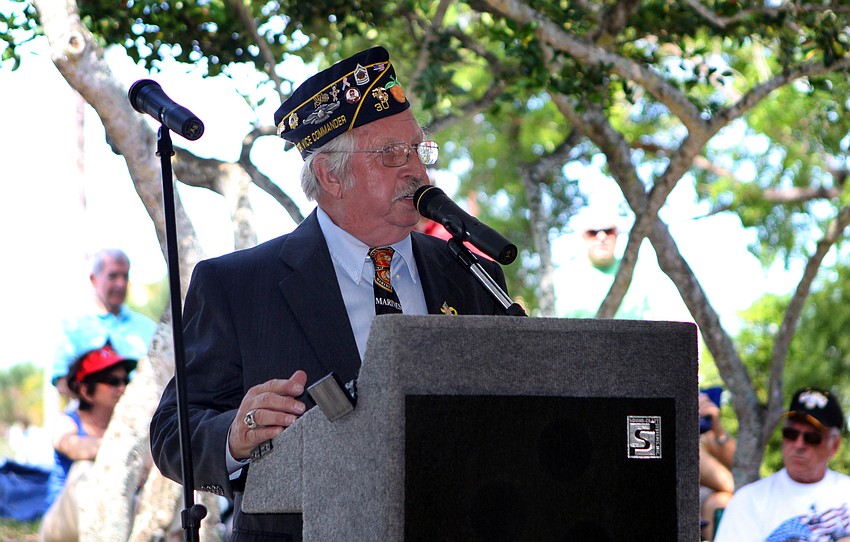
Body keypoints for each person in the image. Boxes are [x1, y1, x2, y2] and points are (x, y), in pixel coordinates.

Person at [149, 45, 509, 541]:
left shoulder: (469, 275)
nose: (418, 172)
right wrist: (235, 434)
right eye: (390, 155)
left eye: (418, 150)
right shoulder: (237, 285)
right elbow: (172, 433)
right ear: (330, 176)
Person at [714, 387, 850, 542]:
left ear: (835, 446)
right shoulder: (749, 500)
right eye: (791, 434)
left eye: (812, 437)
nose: (799, 444)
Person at [39, 343, 136, 542]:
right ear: (86, 391)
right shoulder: (67, 421)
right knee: (84, 470)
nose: (122, 387)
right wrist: (129, 453)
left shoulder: (128, 427)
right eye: (113, 381)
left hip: (113, 521)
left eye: (125, 380)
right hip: (61, 529)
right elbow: (73, 447)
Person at [51, 249, 156, 399]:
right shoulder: (73, 327)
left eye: (125, 276)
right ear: (94, 279)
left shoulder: (148, 328)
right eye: (112, 276)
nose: (120, 283)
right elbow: (61, 381)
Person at [698, 389, 735, 541]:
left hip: (702, 500)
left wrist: (716, 427)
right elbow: (727, 482)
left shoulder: (707, 434)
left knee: (722, 501)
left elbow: (734, 462)